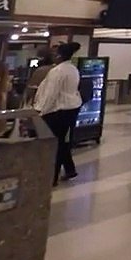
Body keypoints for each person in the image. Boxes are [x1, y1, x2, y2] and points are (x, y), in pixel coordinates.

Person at [35, 42, 83, 186]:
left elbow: (51, 94)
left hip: (57, 111)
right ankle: (69, 169)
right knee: (62, 140)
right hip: (72, 108)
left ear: (59, 55)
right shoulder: (73, 69)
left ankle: (52, 176)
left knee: (55, 143)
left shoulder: (58, 71)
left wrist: (41, 111)